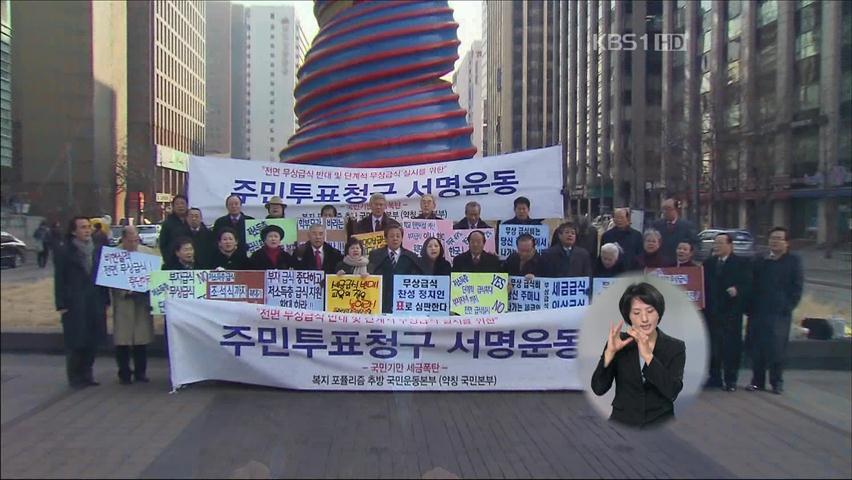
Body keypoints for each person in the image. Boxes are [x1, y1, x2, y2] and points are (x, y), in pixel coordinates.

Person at [591, 282, 686, 428]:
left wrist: (648, 356)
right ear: (628, 316)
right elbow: (598, 388)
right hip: (622, 421)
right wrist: (609, 354)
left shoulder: (675, 347)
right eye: (636, 313)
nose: (644, 319)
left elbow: (672, 391)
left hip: (660, 422)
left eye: (650, 311)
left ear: (659, 313)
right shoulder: (619, 342)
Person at [54, 216, 110, 389]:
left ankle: (87, 374)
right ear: (73, 231)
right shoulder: (65, 251)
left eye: (88, 227)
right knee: (76, 341)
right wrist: (61, 304)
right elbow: (59, 279)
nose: (87, 230)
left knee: (92, 340)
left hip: (95, 301)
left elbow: (104, 276)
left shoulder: (98, 250)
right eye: (83, 227)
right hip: (74, 302)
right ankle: (75, 377)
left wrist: (105, 299)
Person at [746, 227, 803, 395]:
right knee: (757, 348)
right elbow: (750, 283)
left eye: (779, 238)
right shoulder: (760, 260)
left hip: (779, 314)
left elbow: (797, 288)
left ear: (787, 243)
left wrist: (787, 307)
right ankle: (757, 381)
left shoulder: (793, 261)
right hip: (758, 312)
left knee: (776, 349)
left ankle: (777, 382)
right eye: (772, 238)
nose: (775, 241)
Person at [703, 232, 751, 392]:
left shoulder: (741, 263)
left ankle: (730, 379)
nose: (716, 246)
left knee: (731, 347)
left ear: (730, 245)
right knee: (713, 346)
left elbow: (749, 284)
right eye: (715, 243)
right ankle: (714, 377)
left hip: (731, 312)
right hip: (712, 312)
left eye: (720, 243)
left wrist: (738, 290)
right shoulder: (708, 263)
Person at [110, 226, 155, 385]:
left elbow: (154, 276)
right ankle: (124, 372)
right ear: (123, 239)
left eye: (136, 240)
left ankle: (141, 372)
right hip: (123, 301)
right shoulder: (114, 254)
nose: (134, 244)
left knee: (141, 340)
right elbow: (110, 278)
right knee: (123, 340)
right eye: (131, 241)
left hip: (142, 301)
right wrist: (125, 290)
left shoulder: (147, 253)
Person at [368, 225, 424, 313]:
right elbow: (370, 274)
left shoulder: (411, 257)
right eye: (391, 236)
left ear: (402, 239)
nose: (395, 238)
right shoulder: (375, 255)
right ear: (385, 238)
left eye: (398, 236)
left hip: (403, 304)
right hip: (380, 301)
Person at [652, 198, 698, 264]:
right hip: (660, 263)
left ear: (676, 209)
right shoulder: (656, 225)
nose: (665, 212)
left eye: (668, 209)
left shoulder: (687, 226)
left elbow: (695, 243)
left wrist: (690, 256)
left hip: (682, 264)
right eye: (663, 209)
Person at [159, 195, 191, 264]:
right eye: (177, 204)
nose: (180, 206)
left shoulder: (192, 220)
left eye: (182, 203)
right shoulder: (168, 223)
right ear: (173, 207)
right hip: (173, 261)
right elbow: (163, 244)